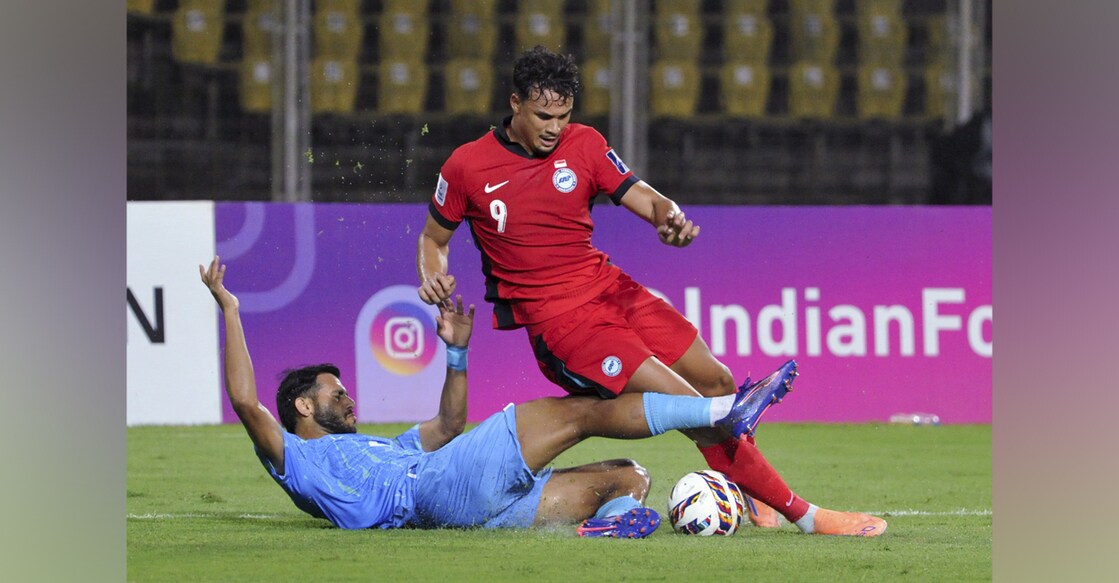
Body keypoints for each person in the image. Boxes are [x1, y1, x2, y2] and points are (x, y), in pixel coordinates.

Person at [416, 45, 886, 536]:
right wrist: (432, 273)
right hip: (564, 323)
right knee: (696, 412)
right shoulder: (467, 166)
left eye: (564, 115)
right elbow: (433, 237)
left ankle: (751, 497)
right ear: (515, 103)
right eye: (543, 115)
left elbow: (642, 194)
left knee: (718, 381)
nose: (555, 127)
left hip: (612, 289)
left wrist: (669, 218)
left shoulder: (586, 144)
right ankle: (805, 516)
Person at [200, 256, 788, 536]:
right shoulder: (296, 460)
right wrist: (231, 309)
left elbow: (450, 424)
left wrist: (456, 353)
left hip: (459, 503)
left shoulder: (383, 446)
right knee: (583, 409)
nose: (350, 399)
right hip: (429, 491)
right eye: (337, 392)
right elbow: (246, 401)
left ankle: (610, 525)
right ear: (304, 407)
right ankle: (723, 409)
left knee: (628, 476)